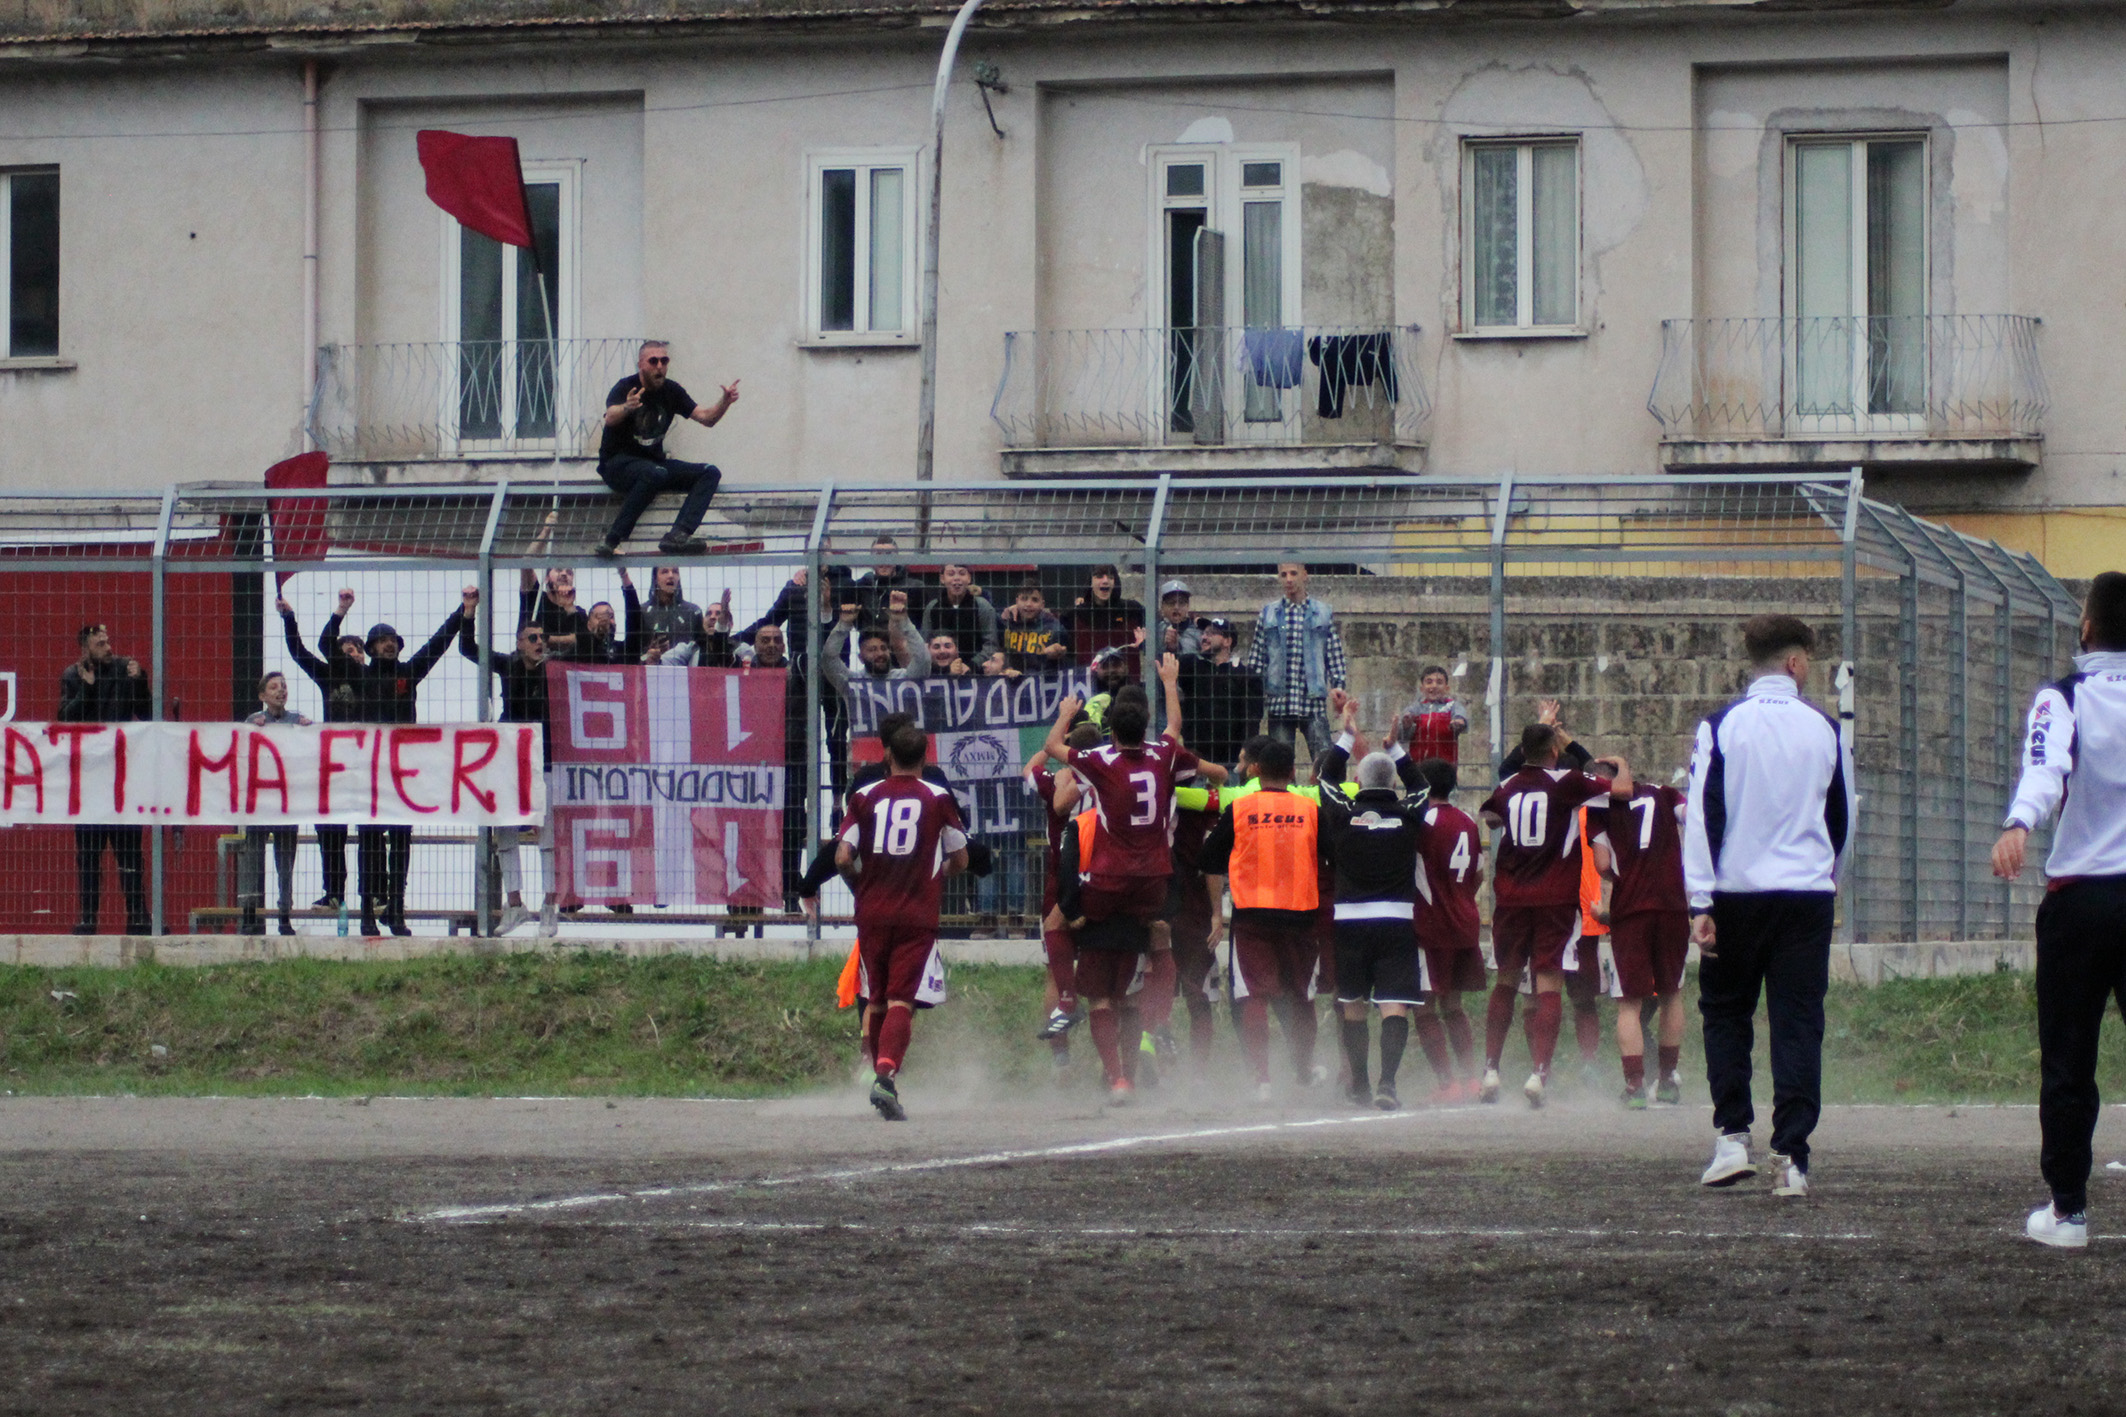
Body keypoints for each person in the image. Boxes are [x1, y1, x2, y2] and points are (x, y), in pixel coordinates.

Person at [1685, 614, 1855, 1198]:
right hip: (1805, 896)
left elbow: (1703, 819)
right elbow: (1843, 820)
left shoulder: (1721, 727)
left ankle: (1733, 1137)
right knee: (1798, 1022)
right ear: (1794, 663)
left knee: (1726, 1012)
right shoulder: (1826, 729)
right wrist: (1828, 880)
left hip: (1735, 894)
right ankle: (1793, 1159)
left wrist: (1699, 900)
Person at [1996, 572, 2126, 1249]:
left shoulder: (2064, 695)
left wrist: (2020, 822)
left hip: (2080, 898)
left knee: (2069, 1058)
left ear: (2086, 628)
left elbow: (2045, 767)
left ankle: (2069, 1209)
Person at [1042, 656, 1198, 1102]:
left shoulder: (1100, 760)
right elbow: (1175, 726)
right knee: (1156, 938)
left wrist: (1066, 717)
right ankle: (1159, 1019)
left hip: (1110, 880)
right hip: (1154, 881)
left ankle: (1071, 1005)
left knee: (1060, 926)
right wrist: (1170, 682)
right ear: (1145, 725)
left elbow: (1054, 748)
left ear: (1109, 728)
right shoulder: (1164, 754)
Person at [1479, 723, 1629, 1108]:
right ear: (1554, 752)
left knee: (1507, 981)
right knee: (1549, 983)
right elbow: (1618, 788)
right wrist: (1584, 748)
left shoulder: (1508, 787)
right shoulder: (1567, 782)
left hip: (1511, 897)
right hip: (1554, 899)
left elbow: (1491, 820)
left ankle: (1491, 1069)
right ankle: (1538, 1073)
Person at [835, 723, 970, 1122]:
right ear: (925, 759)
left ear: (888, 756)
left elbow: (843, 855)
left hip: (872, 910)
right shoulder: (938, 797)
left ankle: (879, 1073)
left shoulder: (864, 796)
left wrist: (860, 883)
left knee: (875, 997)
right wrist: (939, 870)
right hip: (916, 911)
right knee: (901, 999)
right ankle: (885, 1076)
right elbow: (960, 857)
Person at [1201, 737, 1321, 1100]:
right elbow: (1332, 855)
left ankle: (1262, 1081)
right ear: (1292, 772)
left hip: (1252, 913)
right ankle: (1303, 1070)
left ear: (1255, 770)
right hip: (1301, 913)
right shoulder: (1310, 810)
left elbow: (1207, 859)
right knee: (1302, 995)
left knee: (1253, 994)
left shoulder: (1239, 810)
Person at [1316, 741, 1432, 1112]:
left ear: (1358, 780)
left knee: (1352, 1003)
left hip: (1350, 920)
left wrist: (1347, 737)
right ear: (1393, 781)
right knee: (1393, 1005)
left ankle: (1361, 1087)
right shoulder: (1408, 811)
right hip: (1396, 920)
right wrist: (1397, 747)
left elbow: (1325, 777)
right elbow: (1422, 787)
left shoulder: (1342, 813)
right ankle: (1388, 1084)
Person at [340, 604, 465, 936]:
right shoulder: (360, 675)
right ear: (370, 648)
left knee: (401, 842)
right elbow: (325, 648)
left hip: (402, 775)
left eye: (392, 639)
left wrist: (461, 612)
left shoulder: (407, 674)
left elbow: (438, 645)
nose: (388, 644)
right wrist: (339, 612)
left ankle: (396, 909)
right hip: (369, 774)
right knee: (368, 842)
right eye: (381, 640)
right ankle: (367, 911)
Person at [459, 586, 556, 936]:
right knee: (505, 832)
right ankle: (515, 905)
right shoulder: (508, 665)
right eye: (532, 637)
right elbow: (468, 648)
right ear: (519, 643)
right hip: (510, 761)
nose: (539, 642)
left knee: (547, 836)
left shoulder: (553, 671)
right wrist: (468, 611)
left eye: (542, 637)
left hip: (545, 761)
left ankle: (550, 906)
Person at [1592, 766, 1690, 1108]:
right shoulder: (1664, 793)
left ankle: (1635, 1086)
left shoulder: (1600, 806)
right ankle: (1666, 1081)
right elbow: (1693, 817)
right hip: (1673, 903)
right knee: (1671, 993)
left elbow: (1603, 863)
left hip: (1631, 907)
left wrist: (1624, 872)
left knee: (1629, 1002)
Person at [594, 340, 738, 557]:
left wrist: (724, 402)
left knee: (709, 472)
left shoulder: (672, 391)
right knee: (655, 473)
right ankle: (612, 540)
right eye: (653, 361)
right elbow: (610, 418)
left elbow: (706, 418)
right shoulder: (626, 387)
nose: (659, 366)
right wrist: (627, 406)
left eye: (664, 361)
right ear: (641, 364)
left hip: (653, 466)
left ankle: (678, 535)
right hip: (617, 464)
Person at [58, 623, 152, 935]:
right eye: (100, 643)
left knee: (130, 855)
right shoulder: (72, 675)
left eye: (108, 641)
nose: (108, 647)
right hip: (89, 783)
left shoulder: (126, 668)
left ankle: (138, 917)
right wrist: (86, 688)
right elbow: (66, 720)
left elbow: (147, 715)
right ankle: (88, 918)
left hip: (124, 779)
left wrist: (140, 682)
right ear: (85, 647)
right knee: (89, 856)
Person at [279, 590, 365, 911]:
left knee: (372, 829)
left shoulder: (373, 680)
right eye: (344, 650)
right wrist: (289, 618)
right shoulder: (328, 676)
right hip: (335, 768)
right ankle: (334, 893)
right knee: (330, 829)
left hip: (367, 765)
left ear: (364, 656)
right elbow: (299, 651)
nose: (349, 654)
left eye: (355, 649)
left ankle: (377, 895)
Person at [1412, 757, 1486, 1100]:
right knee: (1453, 1005)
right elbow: (1480, 872)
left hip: (1432, 924)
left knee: (1425, 1006)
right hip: (1465, 919)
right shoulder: (1468, 822)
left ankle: (1447, 1083)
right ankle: (1471, 1079)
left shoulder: (1421, 822)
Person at [1245, 561, 1347, 762]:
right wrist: (1254, 694)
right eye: (1283, 575)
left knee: (1324, 763)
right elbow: (1257, 656)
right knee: (1280, 766)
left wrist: (1339, 686)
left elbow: (1334, 652)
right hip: (1279, 701)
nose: (1289, 579)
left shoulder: (1322, 612)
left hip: (1312, 700)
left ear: (1305, 575)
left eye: (1293, 573)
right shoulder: (1268, 613)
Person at [237, 671, 312, 936]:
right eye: (274, 687)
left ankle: (284, 915)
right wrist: (249, 730)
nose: (280, 691)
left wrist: (309, 730)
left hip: (285, 805)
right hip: (260, 805)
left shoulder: (297, 721)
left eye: (283, 686)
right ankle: (249, 915)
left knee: (285, 864)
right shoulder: (253, 722)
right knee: (253, 862)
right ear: (262, 696)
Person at [1175, 617, 1263, 772]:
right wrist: (1170, 647)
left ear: (1227, 641)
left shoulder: (1246, 675)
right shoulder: (1191, 666)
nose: (1204, 637)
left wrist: (1246, 754)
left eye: (1211, 633)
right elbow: (1163, 666)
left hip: (1231, 761)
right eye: (1204, 633)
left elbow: (1252, 720)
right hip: (1197, 760)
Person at [821, 593, 930, 699]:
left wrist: (904, 622)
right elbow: (829, 658)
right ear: (860, 657)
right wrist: (843, 624)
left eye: (883, 648)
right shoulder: (851, 683)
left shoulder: (904, 679)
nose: (880, 653)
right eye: (872, 650)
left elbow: (923, 659)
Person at [1067, 564, 1145, 672]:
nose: (1105, 581)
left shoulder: (1133, 610)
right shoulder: (1074, 615)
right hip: (1089, 684)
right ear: (1090, 582)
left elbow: (1154, 640)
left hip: (1126, 683)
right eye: (1099, 576)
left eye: (1110, 577)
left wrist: (1144, 642)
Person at [922, 564, 1001, 667]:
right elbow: (925, 644)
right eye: (951, 574)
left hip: (975, 672)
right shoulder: (932, 607)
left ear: (969, 578)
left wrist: (972, 665)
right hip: (940, 671)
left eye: (962, 573)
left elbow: (991, 644)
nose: (956, 578)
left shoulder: (982, 606)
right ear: (942, 578)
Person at [1401, 665, 1468, 786]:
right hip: (1419, 769)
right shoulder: (1416, 707)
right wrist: (1406, 723)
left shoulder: (1452, 706)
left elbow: (1460, 716)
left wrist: (1458, 722)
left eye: (1439, 682)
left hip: (1445, 769)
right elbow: (1403, 732)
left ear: (1447, 688)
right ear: (1422, 688)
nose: (1434, 686)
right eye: (1429, 682)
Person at [855, 535, 927, 629]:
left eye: (889, 554)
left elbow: (923, 624)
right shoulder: (862, 586)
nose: (884, 559)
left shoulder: (915, 588)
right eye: (878, 554)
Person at [521, 568, 591, 661]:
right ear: (546, 578)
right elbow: (526, 565)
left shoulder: (578, 612)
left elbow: (586, 641)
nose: (564, 574)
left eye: (569, 573)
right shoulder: (536, 597)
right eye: (558, 570)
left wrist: (569, 607)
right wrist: (569, 640)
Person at [1000, 581, 1068, 672]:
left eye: (1035, 600)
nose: (1028, 604)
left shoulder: (1054, 628)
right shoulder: (1006, 622)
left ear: (1042, 605)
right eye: (1024, 599)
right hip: (1008, 678)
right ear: (1016, 602)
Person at [1156, 580, 1202, 658]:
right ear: (1163, 606)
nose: (1176, 607)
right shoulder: (1155, 631)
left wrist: (1177, 649)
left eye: (1181, 603)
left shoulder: (1199, 631)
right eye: (1171, 602)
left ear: (1187, 606)